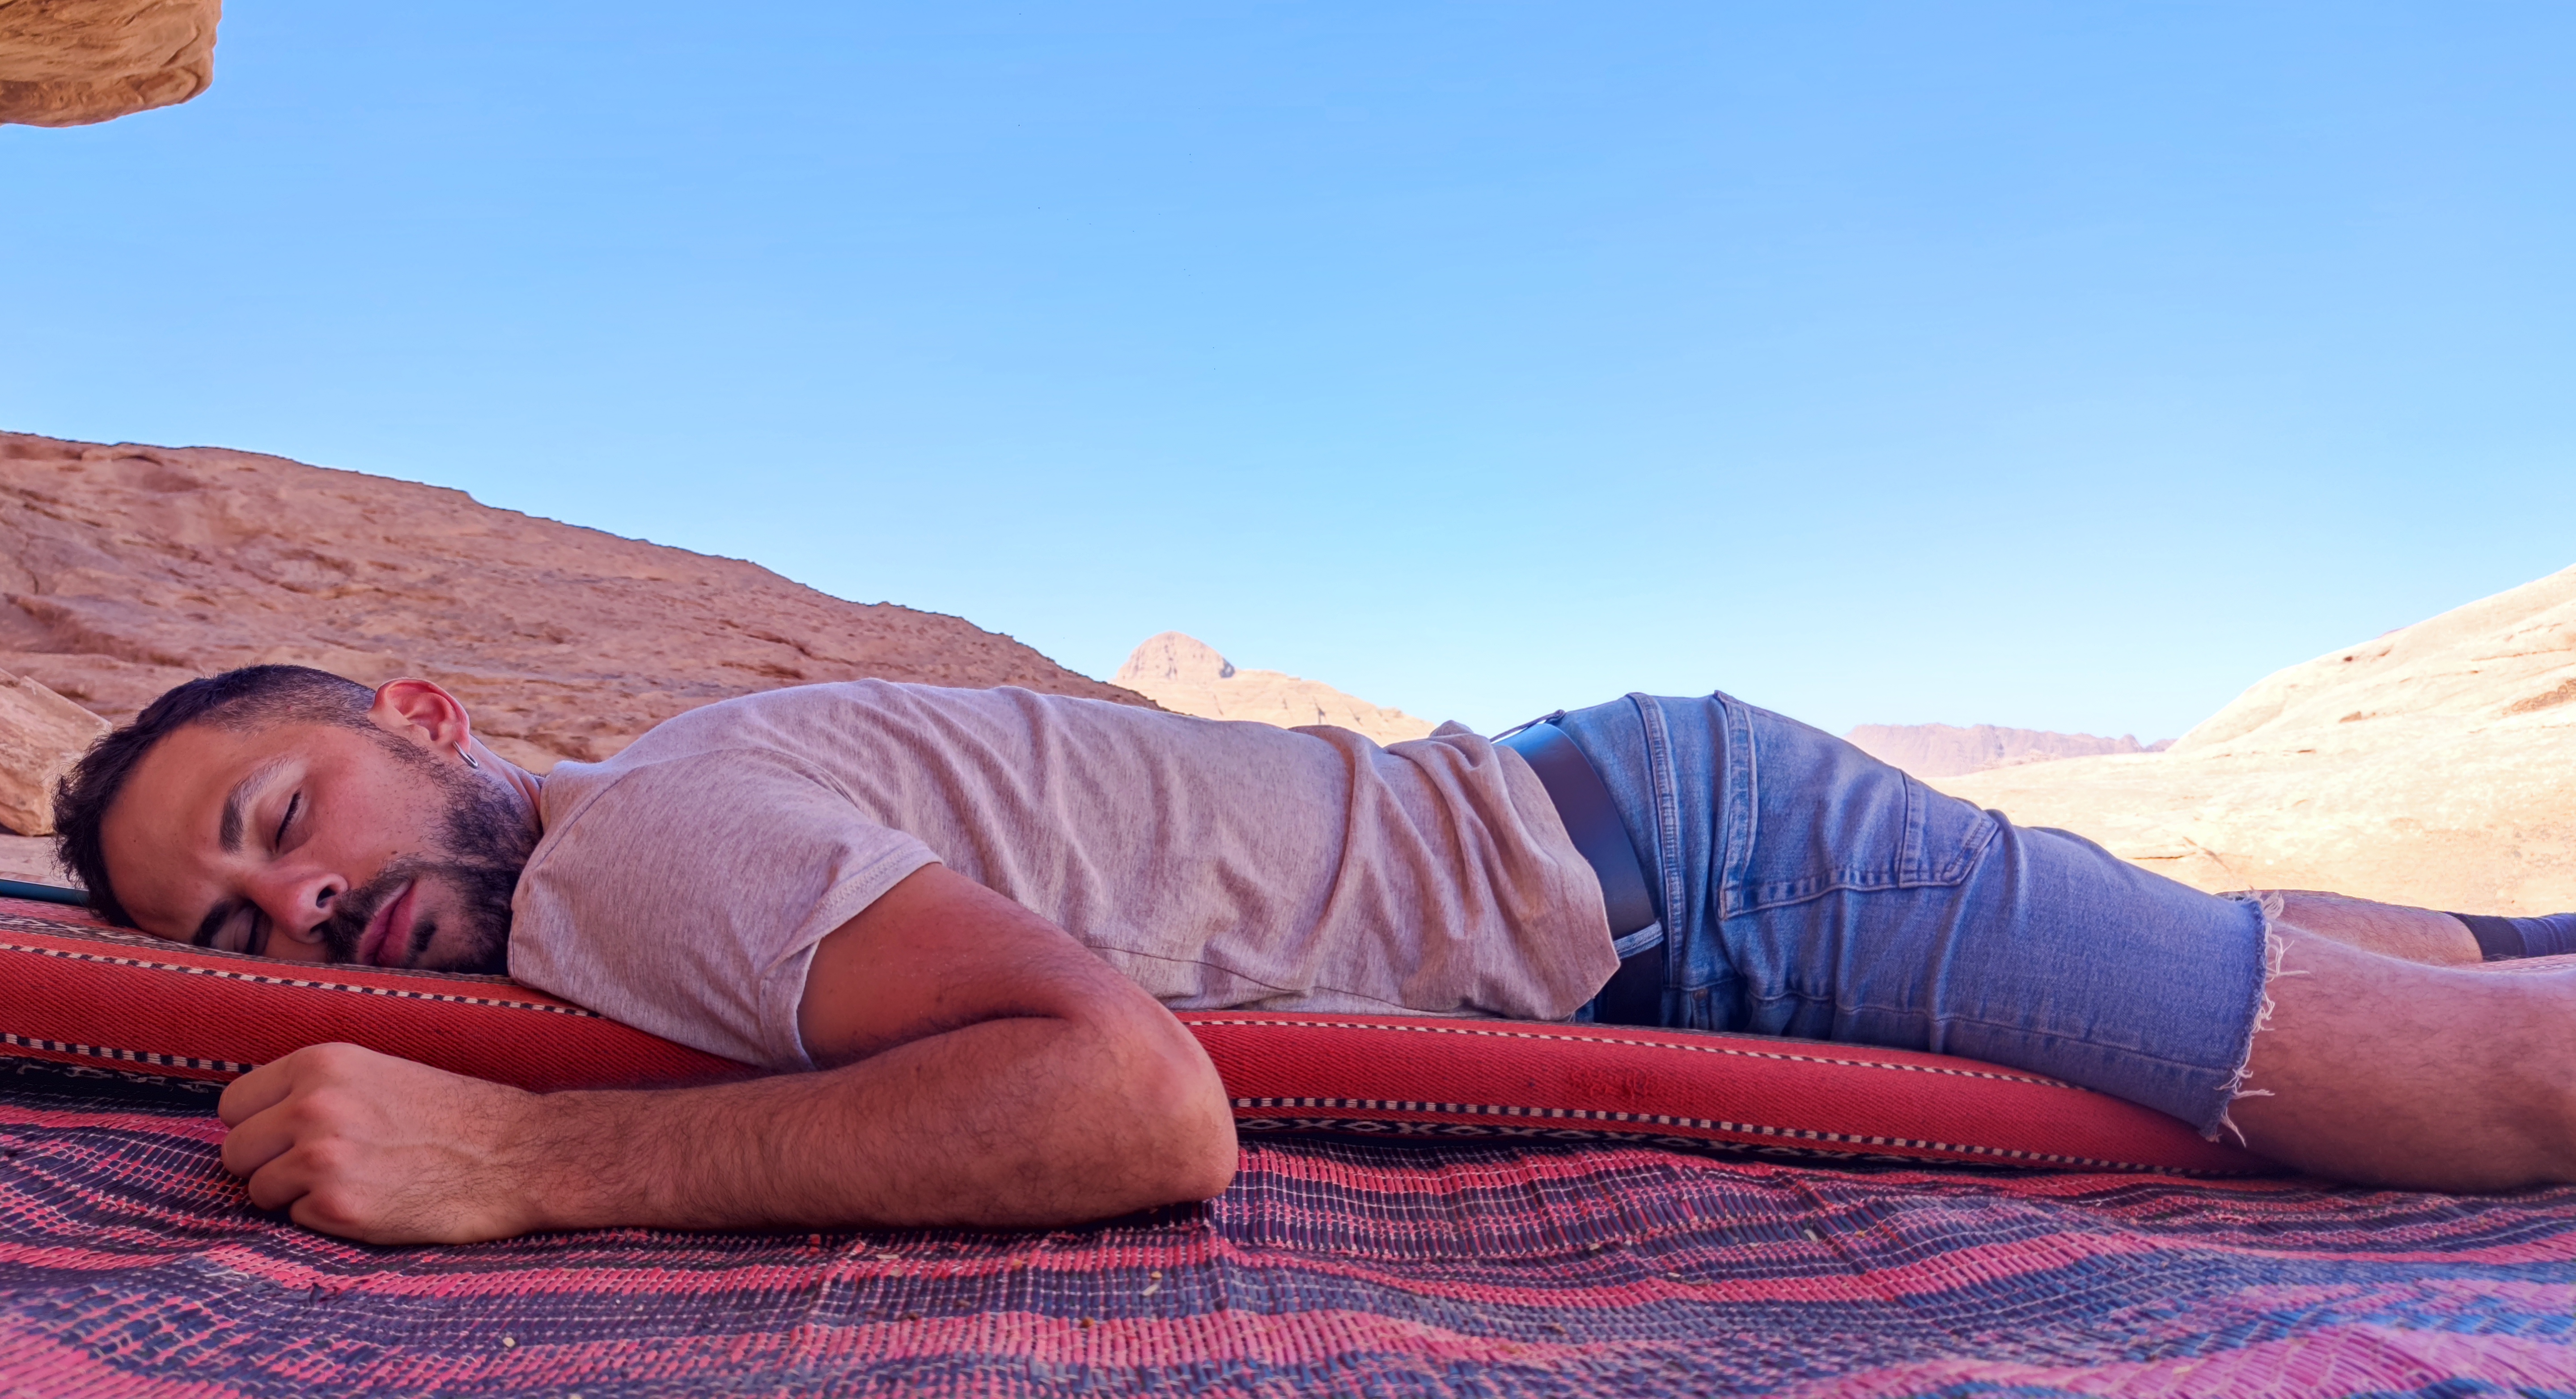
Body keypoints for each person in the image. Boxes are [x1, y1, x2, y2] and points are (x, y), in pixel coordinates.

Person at [50, 664, 2576, 1247]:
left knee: (2463, 1090)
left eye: (283, 820)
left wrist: (531, 1159)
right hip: (1655, 836)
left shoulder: (636, 859)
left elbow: (1141, 1104)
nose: (296, 918)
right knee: (2356, 962)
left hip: (1710, 890)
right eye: (229, 925)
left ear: (426, 717)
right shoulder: (647, 813)